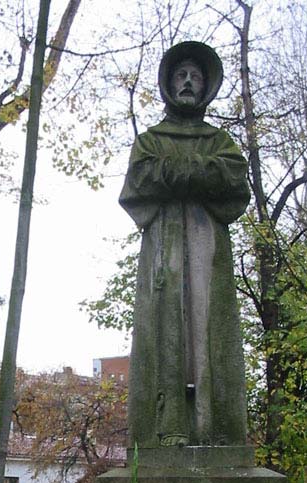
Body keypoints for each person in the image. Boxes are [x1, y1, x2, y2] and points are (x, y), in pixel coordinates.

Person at [120, 41, 251, 448]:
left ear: (207, 85)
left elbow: (233, 181)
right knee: (166, 331)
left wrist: (179, 171)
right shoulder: (150, 141)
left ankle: (215, 430)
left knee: (210, 332)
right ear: (169, 84)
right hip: (164, 253)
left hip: (209, 253)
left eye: (195, 76)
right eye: (181, 76)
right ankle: (165, 427)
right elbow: (138, 183)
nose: (189, 82)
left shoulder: (220, 141)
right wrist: (197, 172)